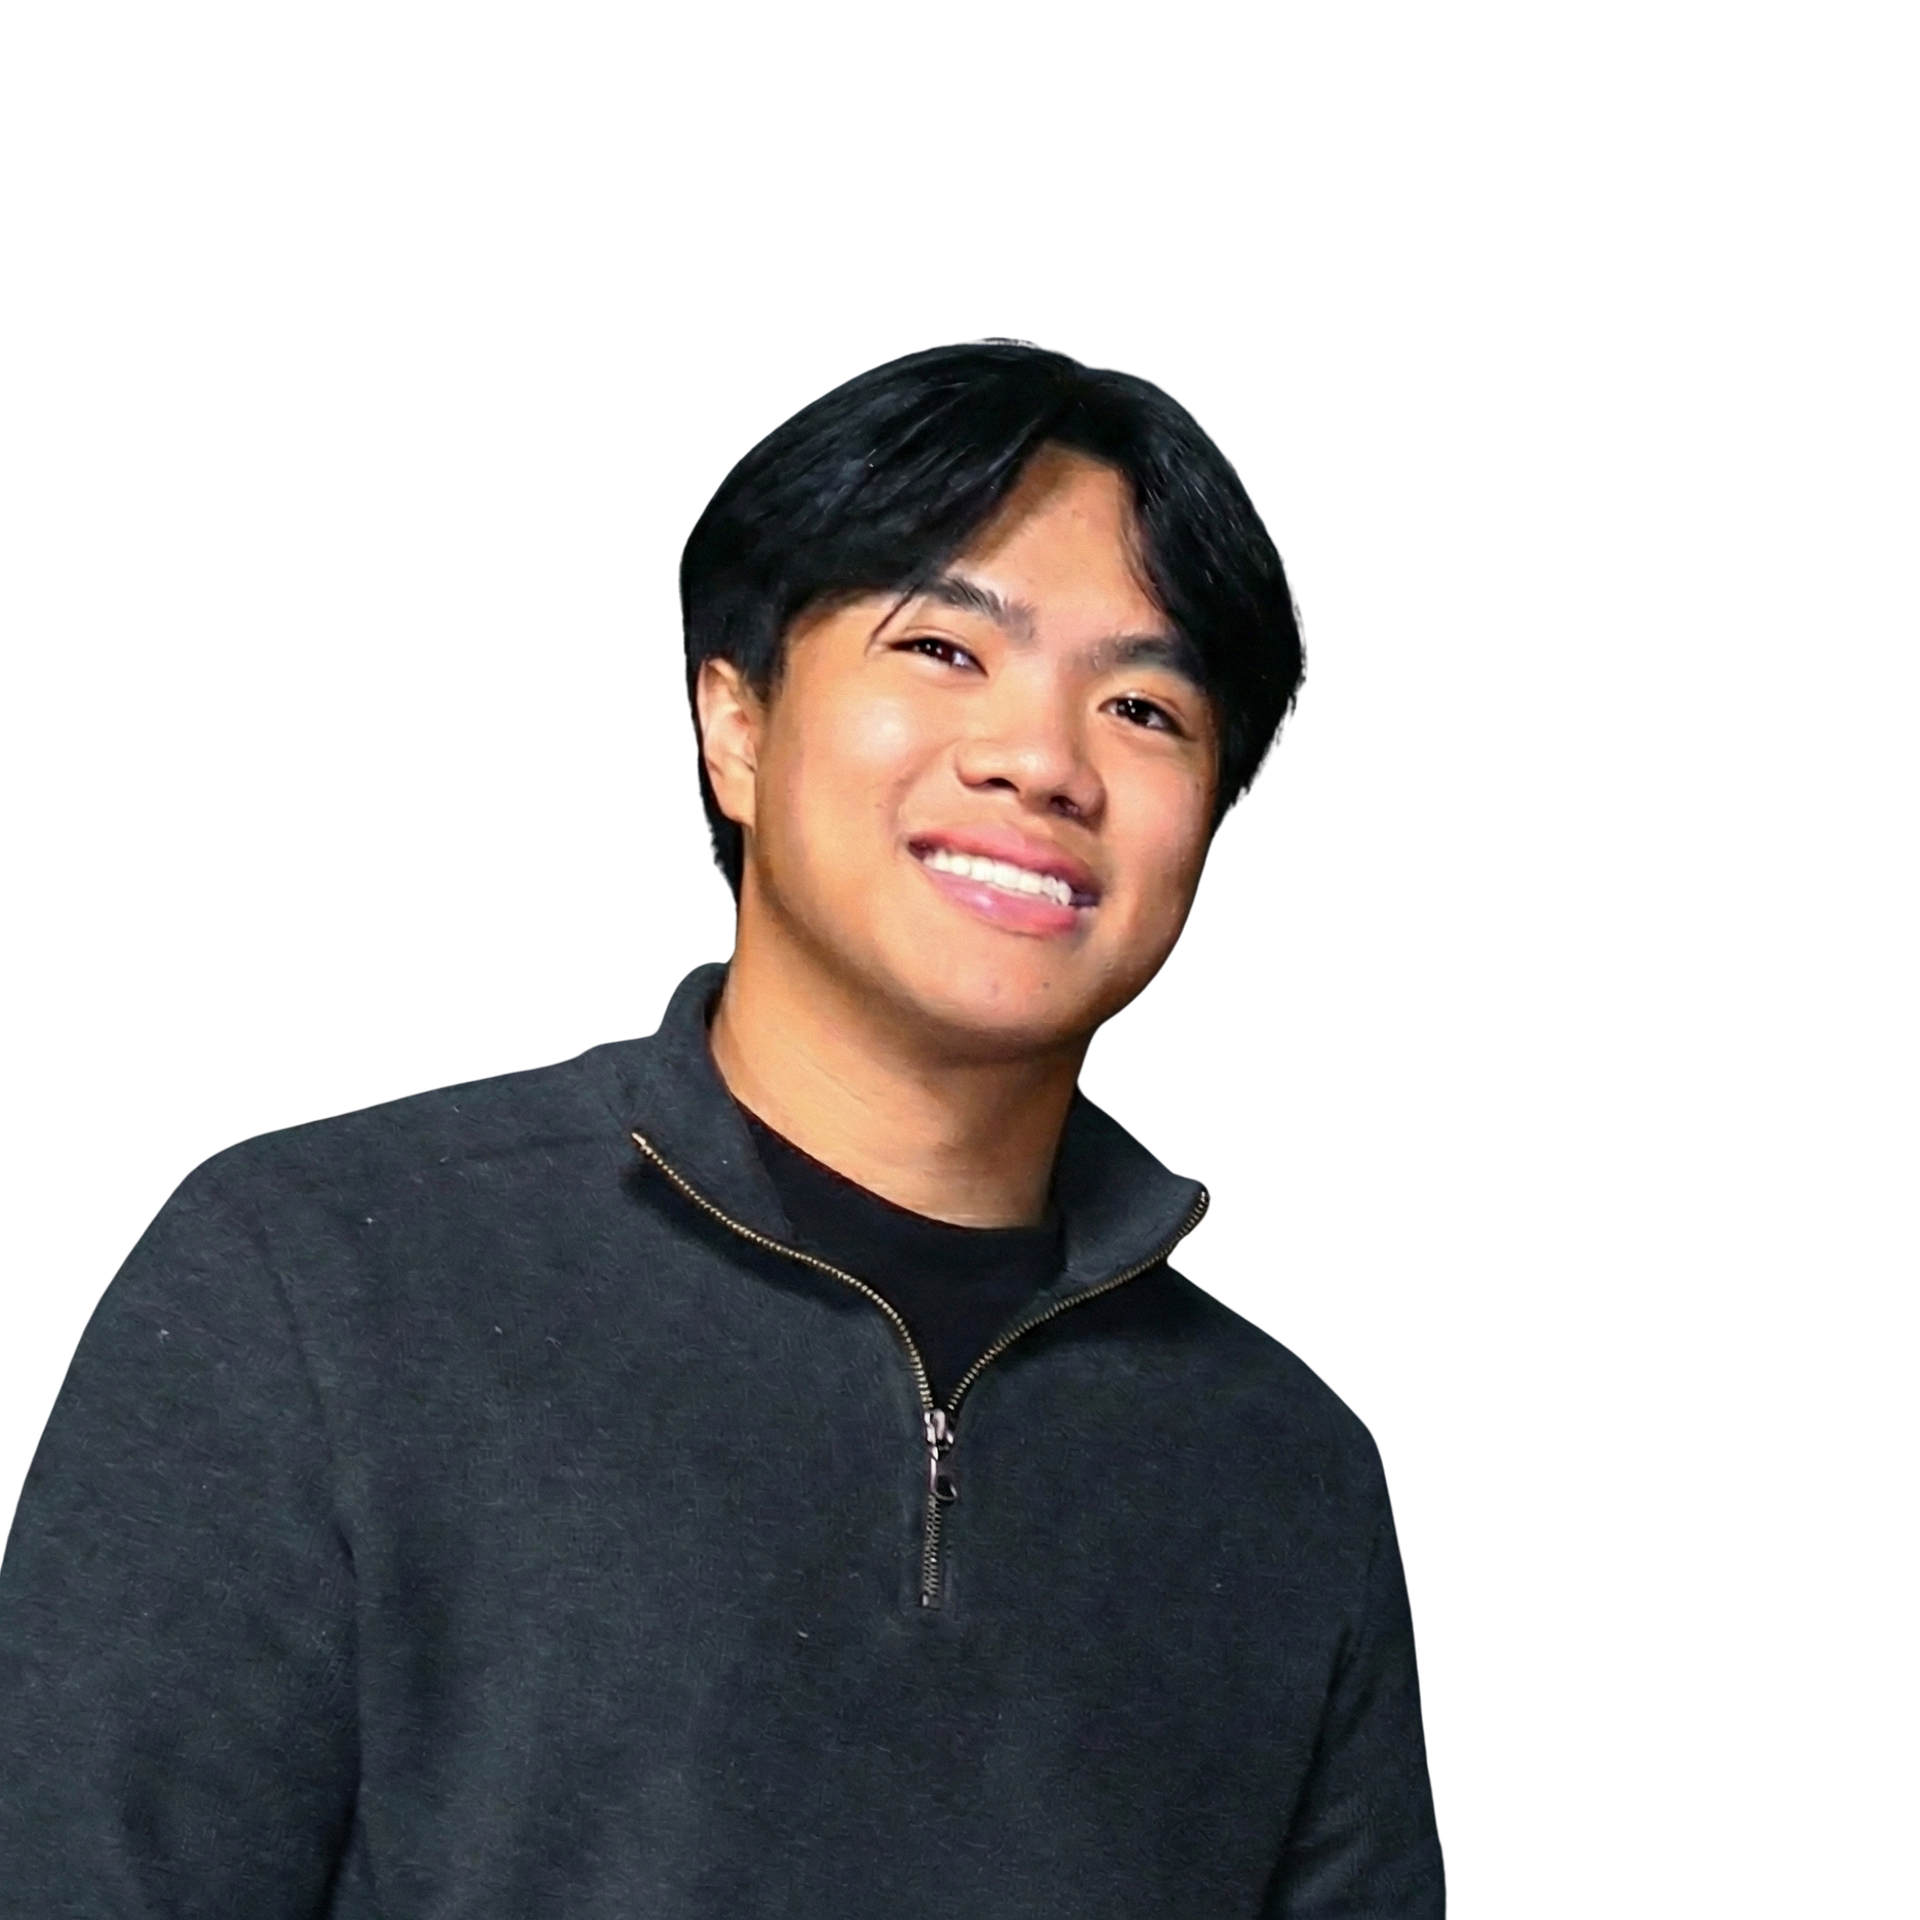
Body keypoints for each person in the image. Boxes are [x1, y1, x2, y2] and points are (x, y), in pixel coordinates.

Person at [0, 336, 1446, 1914]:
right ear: (736, 727)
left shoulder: (1286, 1464)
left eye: (1146, 706)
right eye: (947, 651)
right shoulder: (315, 1278)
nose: (1043, 760)